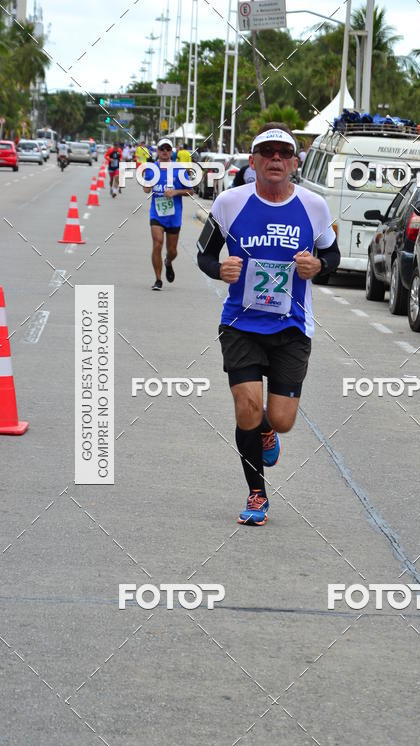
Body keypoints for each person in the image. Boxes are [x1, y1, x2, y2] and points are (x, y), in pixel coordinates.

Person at [197, 123, 340, 526]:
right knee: (246, 408)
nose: (275, 159)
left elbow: (333, 256)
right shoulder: (228, 202)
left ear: (295, 163)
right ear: (253, 161)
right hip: (241, 324)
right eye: (267, 152)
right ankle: (257, 493)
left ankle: (267, 429)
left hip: (292, 328)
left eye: (283, 153)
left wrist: (318, 266)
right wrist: (218, 268)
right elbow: (204, 255)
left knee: (281, 420)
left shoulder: (314, 207)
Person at [142, 137, 193, 291]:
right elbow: (146, 189)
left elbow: (190, 191)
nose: (164, 152)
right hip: (156, 214)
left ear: (172, 152)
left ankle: (168, 262)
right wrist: (147, 183)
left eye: (167, 149)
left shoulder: (179, 169)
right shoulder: (152, 169)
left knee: (172, 251)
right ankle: (158, 280)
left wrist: (175, 192)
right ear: (157, 151)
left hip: (174, 216)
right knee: (157, 243)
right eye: (161, 149)